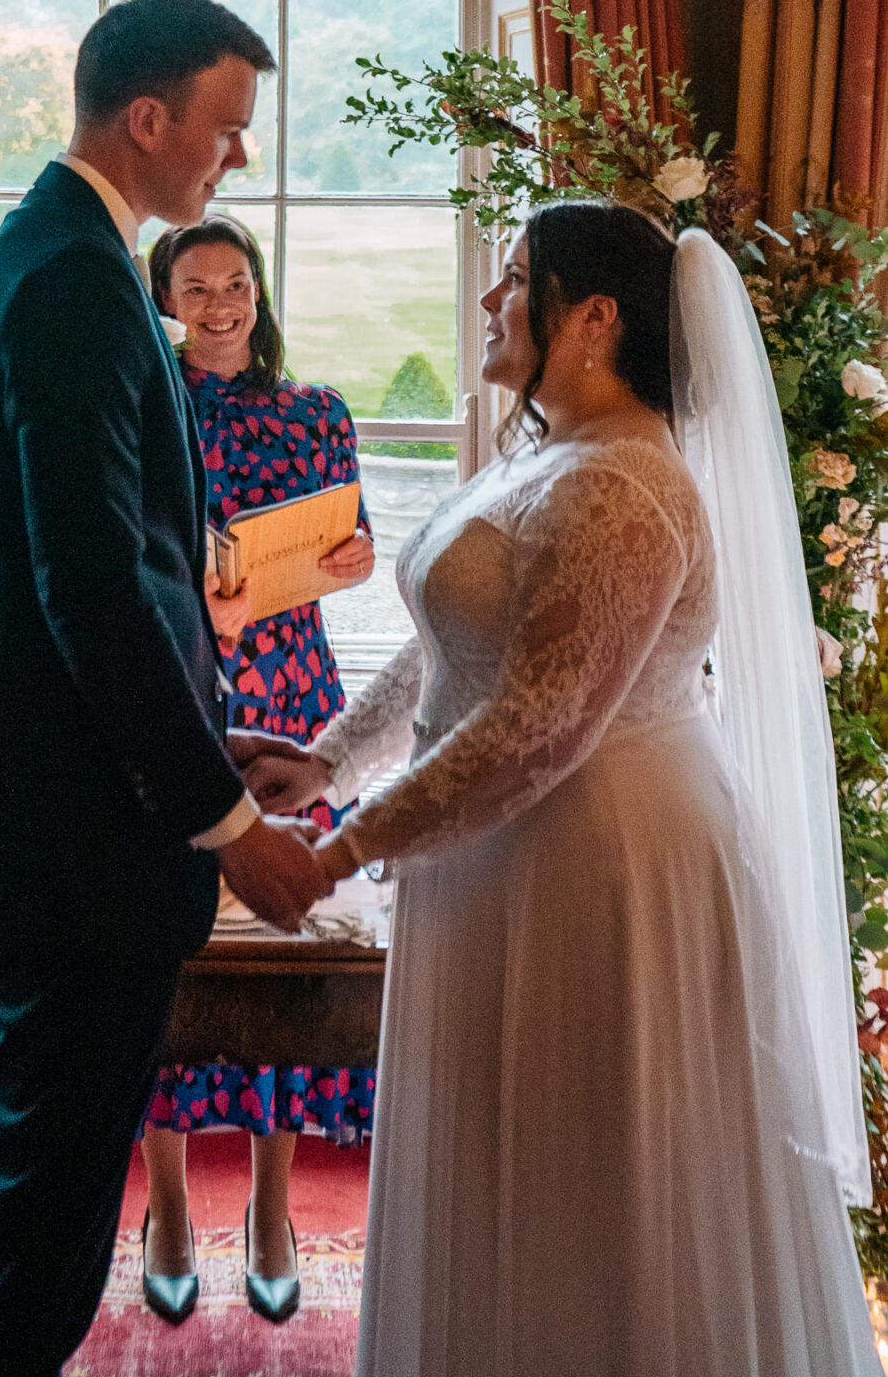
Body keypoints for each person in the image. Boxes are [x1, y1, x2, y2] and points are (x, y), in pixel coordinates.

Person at [240, 199, 878, 1376]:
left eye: (515, 277)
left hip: (600, 862)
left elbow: (538, 729)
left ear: (592, 318)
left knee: (592, 1178)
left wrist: (335, 849)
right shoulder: (541, 455)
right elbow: (447, 647)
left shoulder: (625, 488)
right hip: (494, 855)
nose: (492, 301)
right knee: (500, 1161)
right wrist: (326, 758)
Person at [0, 0, 327, 1377]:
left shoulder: (48, 257)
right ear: (147, 120)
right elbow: (90, 591)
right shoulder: (77, 284)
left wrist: (221, 721)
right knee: (45, 1233)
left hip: (47, 815)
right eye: (223, 129)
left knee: (45, 1210)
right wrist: (223, 820)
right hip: (70, 842)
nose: (233, 161)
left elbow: (121, 577)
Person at [139, 214, 376, 1327]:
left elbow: (352, 543)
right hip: (181, 692)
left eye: (237, 282)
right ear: (164, 295)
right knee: (171, 950)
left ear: (259, 290)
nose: (221, 302)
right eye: (196, 284)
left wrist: (353, 557)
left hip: (297, 696)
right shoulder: (146, 404)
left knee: (286, 946)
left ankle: (275, 1209)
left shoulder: (319, 410)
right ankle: (171, 1208)